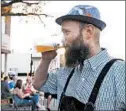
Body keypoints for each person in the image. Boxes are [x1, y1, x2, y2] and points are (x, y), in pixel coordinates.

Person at [33, 5, 125, 111]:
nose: (63, 40)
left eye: (66, 32)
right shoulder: (66, 71)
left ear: (88, 32)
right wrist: (46, 59)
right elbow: (37, 84)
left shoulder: (120, 72)